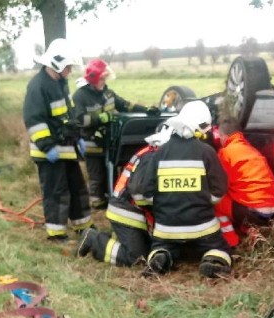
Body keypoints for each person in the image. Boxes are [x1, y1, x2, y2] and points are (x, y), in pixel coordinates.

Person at [128, 100, 232, 279]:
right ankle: (213, 260)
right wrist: (202, 199)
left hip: (166, 228)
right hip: (203, 227)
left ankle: (160, 256)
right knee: (220, 248)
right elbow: (219, 190)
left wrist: (167, 201)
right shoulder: (206, 152)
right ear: (199, 127)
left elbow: (146, 191)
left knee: (161, 246)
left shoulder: (159, 153)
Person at [23, 38, 93, 242]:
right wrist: (47, 146)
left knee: (77, 188)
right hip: (49, 153)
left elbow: (69, 115)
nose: (70, 71)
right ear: (57, 63)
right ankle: (56, 233)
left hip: (67, 149)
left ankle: (83, 226)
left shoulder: (60, 83)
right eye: (68, 66)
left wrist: (78, 137)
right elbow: (34, 120)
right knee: (56, 192)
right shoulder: (38, 86)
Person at [77, 124, 173, 266]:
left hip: (131, 211)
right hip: (126, 212)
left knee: (147, 248)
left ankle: (116, 238)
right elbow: (140, 194)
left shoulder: (153, 152)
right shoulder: (152, 156)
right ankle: (94, 240)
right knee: (136, 257)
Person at [72, 59, 157, 210]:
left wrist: (146, 109)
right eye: (102, 79)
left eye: (105, 79)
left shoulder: (108, 93)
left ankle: (112, 199)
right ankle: (97, 203)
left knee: (111, 172)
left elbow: (126, 105)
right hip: (91, 143)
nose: (104, 82)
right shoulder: (80, 96)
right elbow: (79, 119)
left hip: (108, 142)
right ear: (93, 78)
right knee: (97, 176)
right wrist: (100, 118)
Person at [213, 116, 274, 247]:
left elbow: (219, 185)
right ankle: (251, 231)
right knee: (240, 197)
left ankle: (230, 241)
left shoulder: (225, 153)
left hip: (253, 210)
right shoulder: (252, 150)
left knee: (216, 201)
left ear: (223, 136)